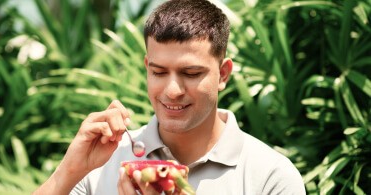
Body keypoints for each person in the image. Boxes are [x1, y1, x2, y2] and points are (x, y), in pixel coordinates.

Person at [33, 0, 306, 194]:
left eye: (190, 72)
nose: (172, 90)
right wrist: (68, 171)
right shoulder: (105, 161)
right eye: (159, 72)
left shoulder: (271, 177)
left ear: (223, 74)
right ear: (147, 68)